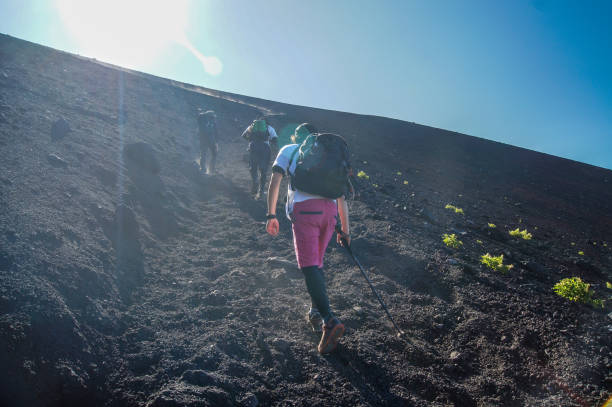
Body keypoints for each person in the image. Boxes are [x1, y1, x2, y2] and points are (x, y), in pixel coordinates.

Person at [265, 123, 351, 354]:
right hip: (330, 213)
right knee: (318, 263)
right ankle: (315, 311)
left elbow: (276, 181)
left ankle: (329, 320)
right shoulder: (326, 155)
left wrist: (271, 214)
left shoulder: (290, 150)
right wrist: (345, 229)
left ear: (296, 136)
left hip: (306, 211)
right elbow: (341, 194)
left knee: (309, 265)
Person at [241, 117, 278, 197]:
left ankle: (255, 181)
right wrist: (267, 140)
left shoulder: (251, 126)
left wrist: (251, 140)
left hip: (253, 147)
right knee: (263, 170)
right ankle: (261, 191)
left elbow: (243, 135)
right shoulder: (269, 128)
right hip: (265, 149)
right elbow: (275, 139)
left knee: (253, 168)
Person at [197, 110, 218, 174]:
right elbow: (205, 131)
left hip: (209, 140)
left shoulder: (209, 122)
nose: (214, 119)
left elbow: (215, 131)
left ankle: (210, 169)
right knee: (204, 154)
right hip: (206, 140)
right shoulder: (203, 121)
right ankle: (205, 168)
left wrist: (216, 140)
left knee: (207, 154)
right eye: (212, 117)